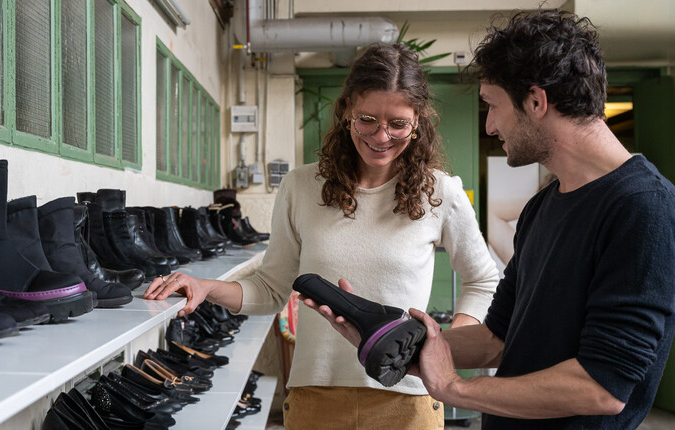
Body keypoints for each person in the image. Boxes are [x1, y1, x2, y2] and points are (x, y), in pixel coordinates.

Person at [306, 10, 675, 429]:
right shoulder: (545, 205)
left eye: (492, 106)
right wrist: (393, 337)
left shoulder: (644, 210)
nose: (490, 125)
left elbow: (602, 388)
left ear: (536, 101)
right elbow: (496, 340)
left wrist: (453, 388)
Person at [144, 43, 499, 429]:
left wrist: (443, 347)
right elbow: (271, 288)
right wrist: (207, 287)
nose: (382, 137)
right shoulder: (300, 186)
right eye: (367, 119)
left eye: (398, 123)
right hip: (316, 397)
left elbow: (482, 279)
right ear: (347, 110)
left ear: (419, 122)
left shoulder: (440, 193)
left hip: (406, 398)